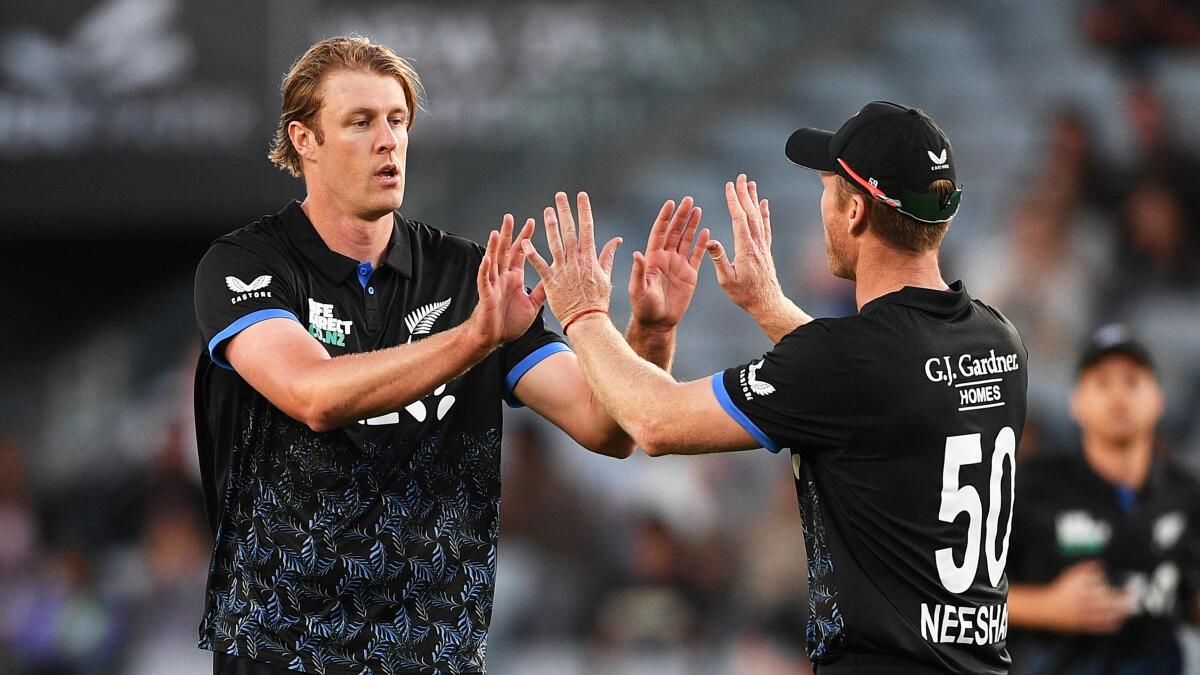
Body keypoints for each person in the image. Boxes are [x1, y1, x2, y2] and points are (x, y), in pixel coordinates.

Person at [192, 36, 709, 675]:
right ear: (305, 140)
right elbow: (313, 394)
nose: (388, 141)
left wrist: (651, 330)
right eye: (360, 122)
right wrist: (472, 340)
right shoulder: (247, 263)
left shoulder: (468, 275)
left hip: (433, 651)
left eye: (397, 120)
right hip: (283, 649)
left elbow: (606, 427)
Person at [523, 101, 1029, 673]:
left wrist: (585, 313)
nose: (822, 207)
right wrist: (768, 305)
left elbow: (655, 423)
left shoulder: (848, 360)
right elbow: (879, 382)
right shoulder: (998, 340)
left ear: (855, 211)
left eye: (828, 190)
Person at [1007, 324, 1200, 675]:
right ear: (1076, 402)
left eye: (1132, 381)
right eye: (1102, 383)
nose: (1118, 397)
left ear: (1159, 399)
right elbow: (963, 595)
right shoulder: (1031, 485)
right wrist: (1047, 607)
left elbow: (1191, 600)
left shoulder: (1186, 493)